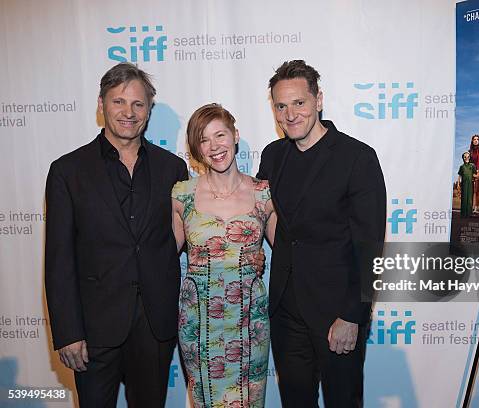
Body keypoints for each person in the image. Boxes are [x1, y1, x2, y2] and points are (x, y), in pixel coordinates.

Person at [45, 62, 189, 407]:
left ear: (148, 110)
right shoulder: (67, 171)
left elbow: (176, 241)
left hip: (155, 325)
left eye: (138, 104)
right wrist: (68, 332)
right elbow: (58, 259)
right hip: (93, 330)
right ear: (101, 104)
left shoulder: (173, 168)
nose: (129, 112)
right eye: (119, 102)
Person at [256, 59, 386, 407]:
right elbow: (267, 220)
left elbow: (371, 247)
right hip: (285, 310)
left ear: (319, 100)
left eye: (299, 103)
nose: (290, 114)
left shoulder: (356, 157)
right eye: (281, 106)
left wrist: (352, 315)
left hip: (336, 312)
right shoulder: (273, 156)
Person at [171, 104, 275, 408]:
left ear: (236, 136)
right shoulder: (182, 195)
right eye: (204, 140)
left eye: (220, 135)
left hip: (250, 320)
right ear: (197, 149)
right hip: (199, 321)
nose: (215, 146)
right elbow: (159, 257)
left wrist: (261, 259)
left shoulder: (263, 193)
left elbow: (293, 252)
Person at [458, 151, 477, 217]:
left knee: (469, 198)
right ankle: (463, 213)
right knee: (464, 198)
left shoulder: (472, 166)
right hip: (464, 184)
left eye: (468, 157)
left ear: (470, 157)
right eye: (465, 157)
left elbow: (475, 174)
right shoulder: (462, 166)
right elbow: (459, 176)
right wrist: (458, 184)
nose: (466, 158)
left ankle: (469, 213)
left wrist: (478, 175)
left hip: (471, 184)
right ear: (463, 158)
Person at [468, 134, 479, 213]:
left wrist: (478, 171)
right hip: (471, 173)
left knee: (477, 191)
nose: (476, 141)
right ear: (472, 141)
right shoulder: (470, 151)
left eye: (477, 139)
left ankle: (476, 208)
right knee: (470, 191)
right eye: (474, 139)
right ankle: (469, 207)